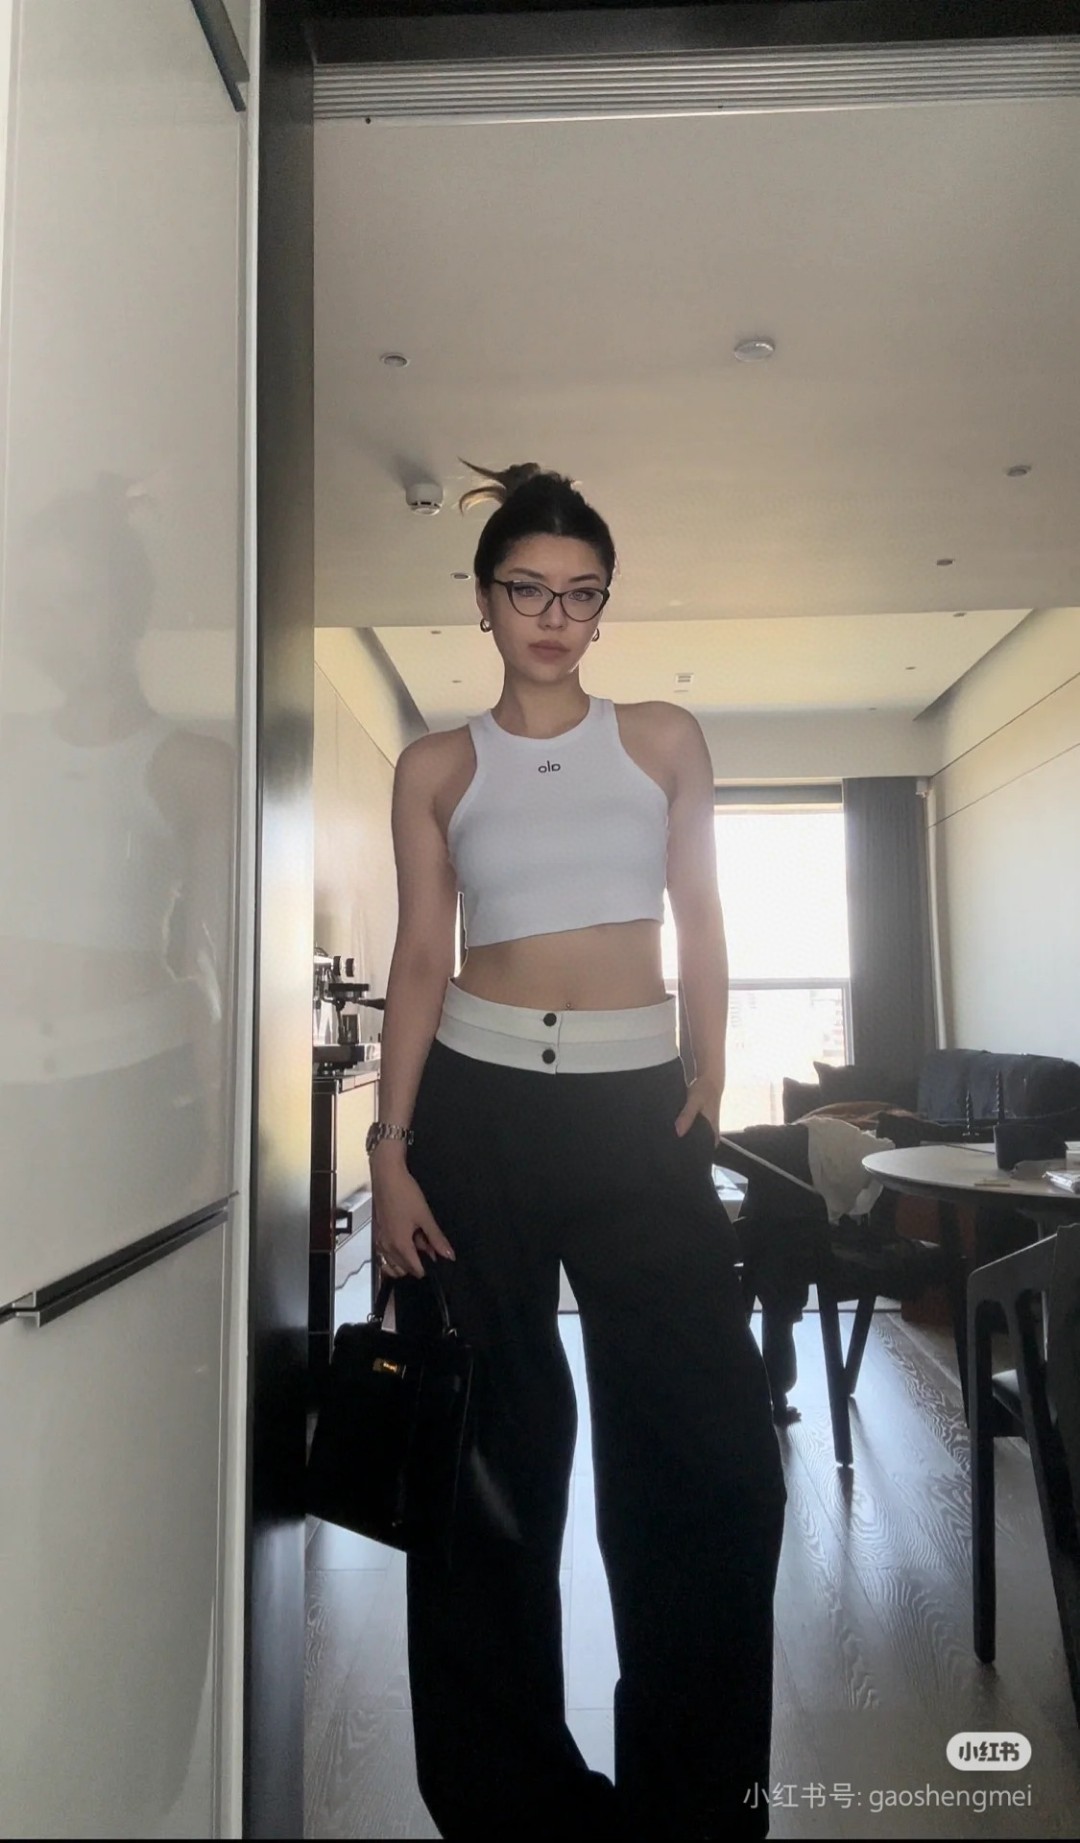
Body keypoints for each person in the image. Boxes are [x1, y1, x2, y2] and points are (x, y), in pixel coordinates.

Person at [369, 462, 786, 1841]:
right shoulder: (437, 766)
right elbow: (420, 959)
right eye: (529, 591)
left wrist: (709, 1067)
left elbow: (702, 913)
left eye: (582, 594)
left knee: (709, 1458)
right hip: (477, 1112)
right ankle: (515, 1805)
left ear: (604, 607)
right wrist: (390, 1150)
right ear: (485, 601)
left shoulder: (659, 738)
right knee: (487, 1454)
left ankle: (694, 1803)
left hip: (636, 1109)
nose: (556, 617)